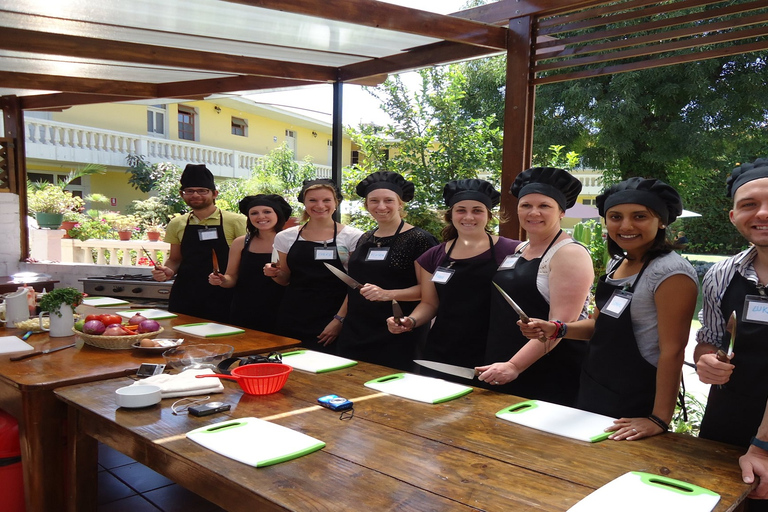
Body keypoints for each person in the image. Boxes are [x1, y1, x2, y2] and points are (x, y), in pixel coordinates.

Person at [521, 177, 698, 440]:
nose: (625, 226)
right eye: (615, 217)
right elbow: (598, 325)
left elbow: (672, 351)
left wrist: (658, 418)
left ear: (661, 221)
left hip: (634, 400)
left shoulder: (670, 273)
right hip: (597, 386)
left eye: (639, 216)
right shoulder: (619, 263)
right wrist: (556, 328)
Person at [477, 167, 594, 405]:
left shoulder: (569, 253)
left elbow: (560, 326)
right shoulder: (520, 249)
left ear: (561, 212)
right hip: (504, 362)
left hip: (547, 370)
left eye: (544, 206)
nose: (534, 212)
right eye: (526, 205)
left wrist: (514, 365)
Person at [386, 179, 520, 379]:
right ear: (451, 215)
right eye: (461, 210)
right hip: (443, 349)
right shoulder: (432, 256)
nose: (468, 217)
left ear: (489, 216)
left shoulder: (512, 251)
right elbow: (430, 303)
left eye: (477, 210)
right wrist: (411, 321)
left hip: (493, 351)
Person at [695, 157, 768, 505]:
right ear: (733, 216)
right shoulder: (722, 273)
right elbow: (708, 339)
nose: (762, 214)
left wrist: (764, 447)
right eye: (749, 205)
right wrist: (707, 362)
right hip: (726, 420)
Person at [336, 171, 438, 371]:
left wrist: (387, 294)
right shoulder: (365, 238)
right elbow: (355, 285)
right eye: (374, 200)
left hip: (398, 328)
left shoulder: (419, 239)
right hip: (357, 328)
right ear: (366, 205)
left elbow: (429, 293)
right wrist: (339, 319)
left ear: (400, 203)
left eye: (388, 200)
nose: (381, 206)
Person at [264, 179, 363, 353]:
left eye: (326, 200)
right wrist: (273, 273)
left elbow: (355, 284)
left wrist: (339, 320)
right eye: (312, 200)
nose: (320, 205)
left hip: (334, 314)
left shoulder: (352, 237)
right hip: (294, 314)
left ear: (336, 203)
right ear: (304, 203)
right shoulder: (286, 237)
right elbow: (285, 279)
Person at [152, 164, 246, 323]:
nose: (195, 195)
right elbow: (175, 259)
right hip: (187, 294)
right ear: (182, 195)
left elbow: (246, 259)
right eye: (189, 191)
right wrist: (168, 271)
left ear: (215, 194)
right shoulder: (177, 223)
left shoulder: (237, 221)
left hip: (225, 294)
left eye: (202, 190)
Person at [208, 194, 292, 333]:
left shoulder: (291, 241)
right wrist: (221, 280)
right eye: (254, 213)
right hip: (245, 309)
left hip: (283, 308)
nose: (261, 217)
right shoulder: (241, 242)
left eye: (267, 212)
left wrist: (277, 273)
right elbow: (231, 277)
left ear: (278, 214)